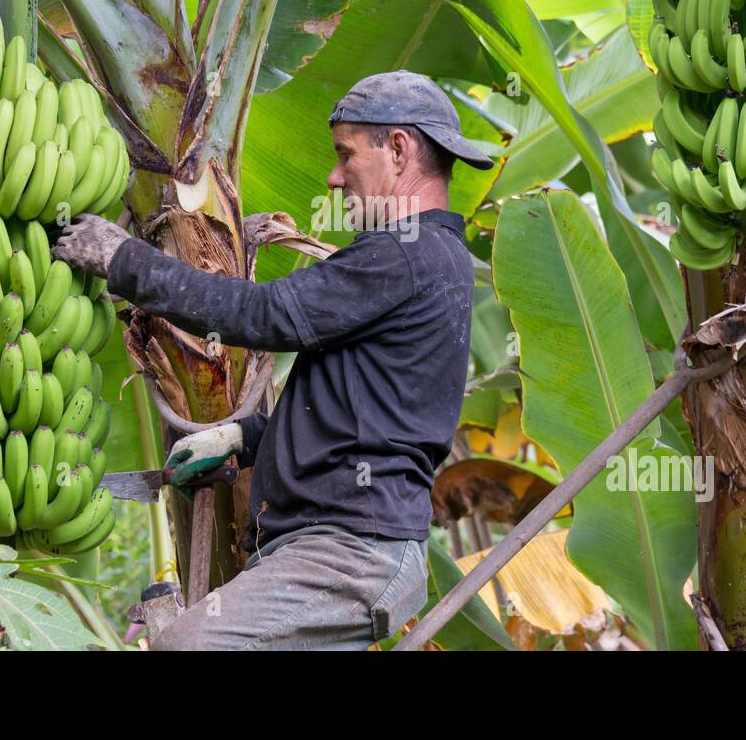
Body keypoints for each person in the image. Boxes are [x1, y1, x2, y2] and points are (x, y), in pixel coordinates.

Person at [52, 70, 494, 649]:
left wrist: (122, 259)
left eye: (346, 155)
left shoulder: (409, 255)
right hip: (344, 549)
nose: (335, 178)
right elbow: (366, 410)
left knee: (187, 645)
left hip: (349, 554)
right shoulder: (424, 260)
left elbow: (261, 316)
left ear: (399, 148)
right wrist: (246, 436)